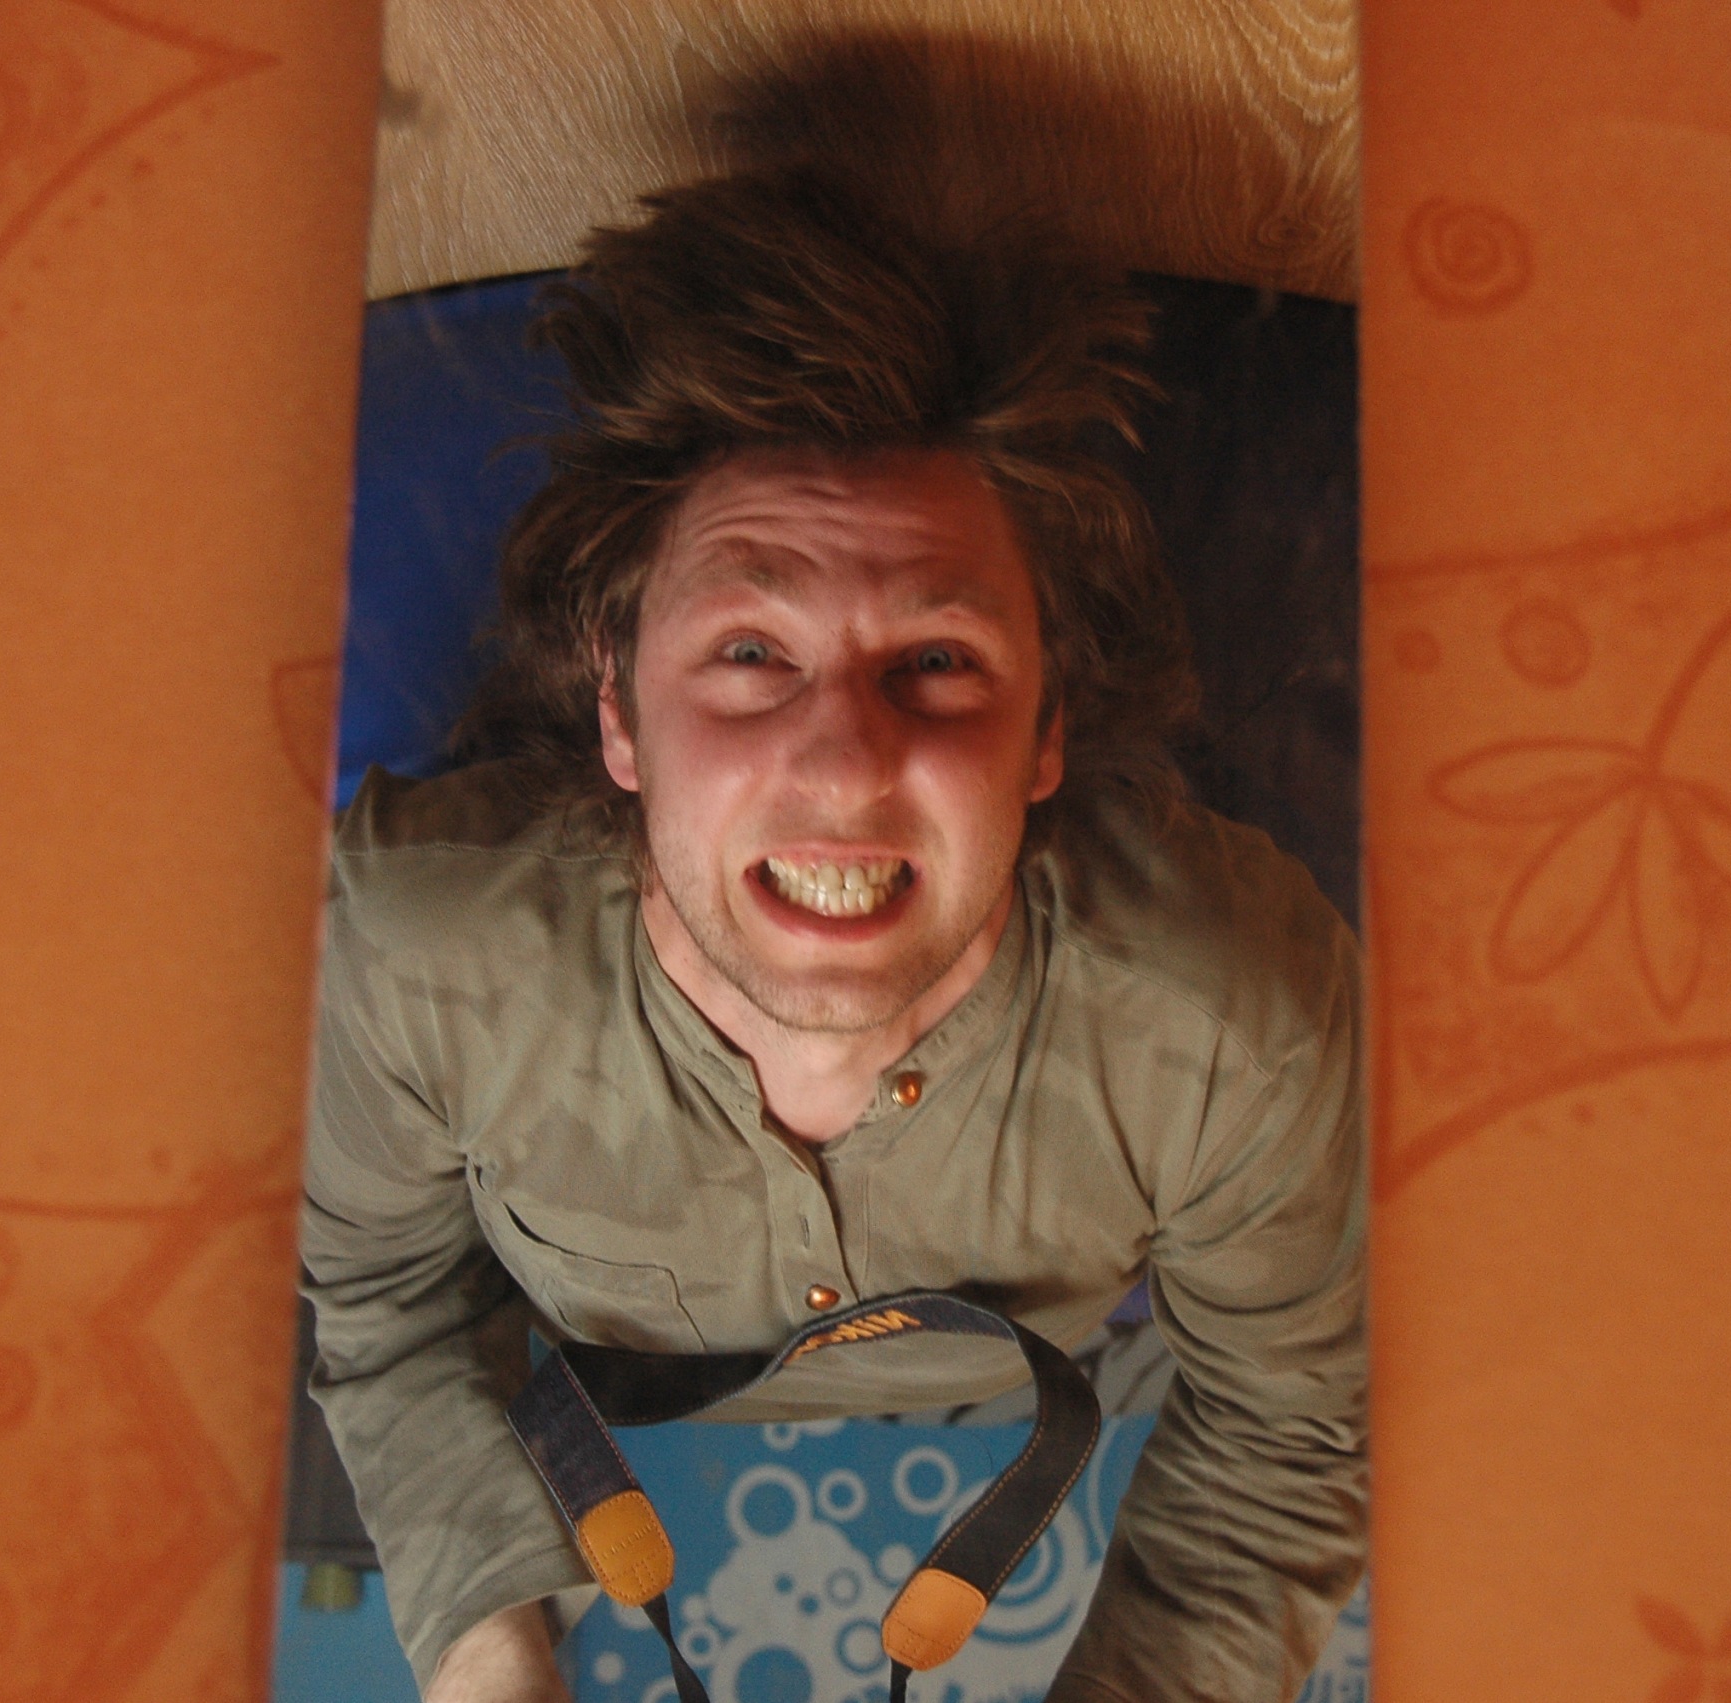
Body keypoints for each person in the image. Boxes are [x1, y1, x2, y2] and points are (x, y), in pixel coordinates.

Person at [300, 165, 1366, 1703]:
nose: (846, 767)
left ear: (1049, 728)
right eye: (751, 652)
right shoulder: (404, 953)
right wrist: (490, 1664)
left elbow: (1291, 1424)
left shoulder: (1241, 1016)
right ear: (618, 708)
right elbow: (385, 1307)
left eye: (937, 660)